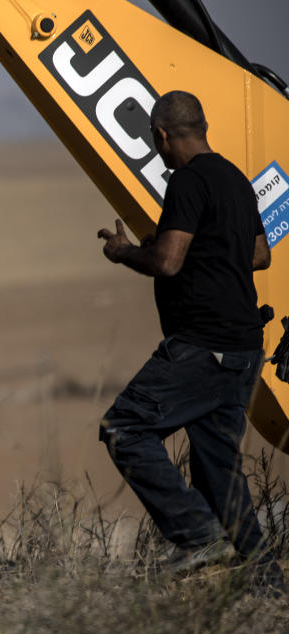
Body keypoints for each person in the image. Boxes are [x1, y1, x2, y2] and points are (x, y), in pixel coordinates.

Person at [97, 90, 285, 595]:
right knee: (220, 473)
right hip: (244, 347)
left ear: (161, 135)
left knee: (124, 426)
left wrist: (123, 252)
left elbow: (166, 261)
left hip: (204, 344)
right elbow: (260, 256)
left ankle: (196, 535)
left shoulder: (186, 182)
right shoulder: (235, 180)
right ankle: (268, 588)